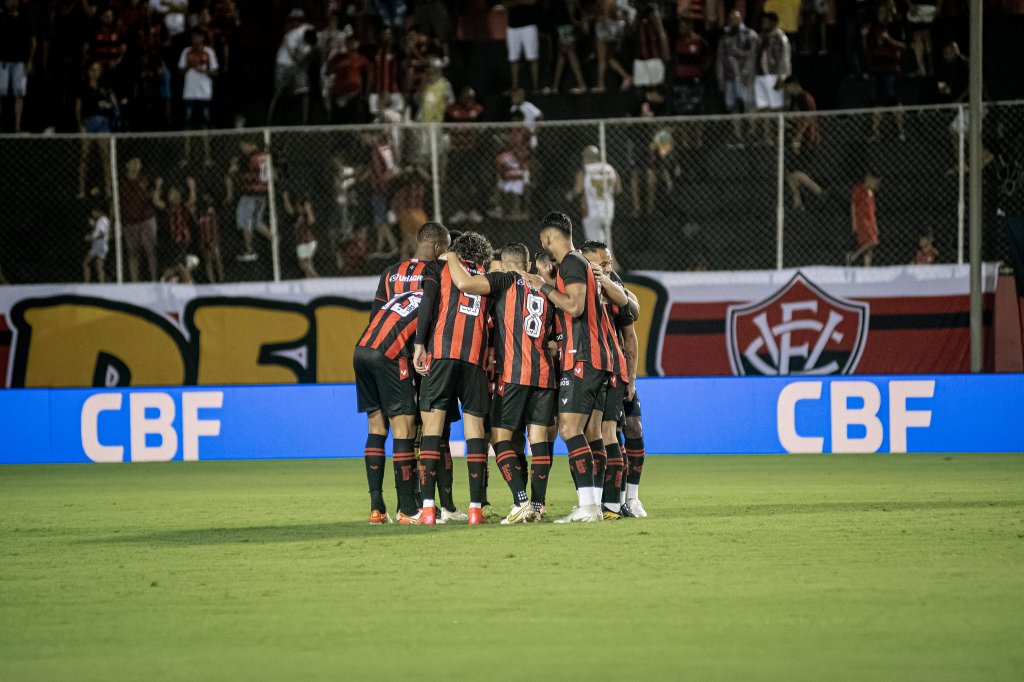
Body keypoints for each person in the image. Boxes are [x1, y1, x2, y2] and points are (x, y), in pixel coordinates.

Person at [519, 212, 628, 523]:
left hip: (583, 357)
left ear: (549, 239)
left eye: (544, 243)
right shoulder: (579, 264)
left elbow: (575, 306)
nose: (545, 249)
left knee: (569, 429)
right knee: (591, 433)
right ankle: (594, 505)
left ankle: (588, 507)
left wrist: (543, 287)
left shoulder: (571, 262)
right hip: (595, 358)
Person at [443, 242, 556, 523]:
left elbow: (464, 283)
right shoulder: (545, 288)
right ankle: (539, 506)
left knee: (500, 438)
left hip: (514, 374)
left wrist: (452, 256)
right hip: (544, 374)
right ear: (528, 264)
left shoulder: (505, 279)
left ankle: (521, 501)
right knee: (538, 440)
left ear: (504, 265)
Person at [413, 231, 495, 525]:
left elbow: (428, 304)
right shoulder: (487, 275)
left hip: (443, 353)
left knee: (432, 429)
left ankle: (428, 510)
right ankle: (475, 509)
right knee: (474, 431)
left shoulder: (439, 267)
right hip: (474, 359)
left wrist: (419, 345)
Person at [581, 240, 640, 519]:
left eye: (609, 261)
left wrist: (631, 379)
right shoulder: (576, 284)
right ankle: (600, 503)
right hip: (588, 369)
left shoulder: (612, 284)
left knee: (616, 431)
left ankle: (618, 502)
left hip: (614, 370)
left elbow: (631, 318)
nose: (609, 266)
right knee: (593, 434)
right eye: (603, 262)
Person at [717, 9, 758, 146]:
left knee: (748, 104)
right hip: (730, 76)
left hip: (745, 76)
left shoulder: (750, 34)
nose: (734, 20)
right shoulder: (725, 36)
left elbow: (752, 56)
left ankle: (752, 134)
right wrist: (721, 78)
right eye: (731, 18)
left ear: (741, 19)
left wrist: (747, 73)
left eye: (736, 18)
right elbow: (720, 59)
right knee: (733, 106)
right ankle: (737, 136)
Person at [76, 61, 116, 200]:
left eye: (98, 70)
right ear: (88, 71)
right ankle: (81, 189)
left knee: (105, 156)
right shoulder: (83, 87)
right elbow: (79, 107)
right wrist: (80, 124)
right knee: (84, 157)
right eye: (93, 69)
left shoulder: (105, 87)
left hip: (103, 123)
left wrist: (108, 104)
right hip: (88, 123)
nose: (95, 72)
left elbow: (113, 104)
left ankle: (108, 190)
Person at [179, 29, 218, 167]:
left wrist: (203, 71)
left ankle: (207, 157)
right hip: (188, 94)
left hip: (204, 94)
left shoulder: (209, 52)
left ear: (202, 37)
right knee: (187, 127)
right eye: (193, 36)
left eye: (198, 36)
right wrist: (189, 66)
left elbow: (215, 72)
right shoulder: (186, 52)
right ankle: (186, 157)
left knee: (204, 126)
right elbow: (180, 70)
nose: (196, 39)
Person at [227, 139, 271, 262]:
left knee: (245, 221)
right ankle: (274, 240)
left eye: (244, 146)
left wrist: (234, 165)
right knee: (257, 222)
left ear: (251, 145)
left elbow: (232, 170)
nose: (242, 149)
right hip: (262, 193)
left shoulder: (250, 158)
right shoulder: (264, 156)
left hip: (250, 193)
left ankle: (249, 250)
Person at [119, 156, 159, 282]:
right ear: (127, 165)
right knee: (133, 254)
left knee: (150, 252)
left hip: (146, 219)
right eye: (133, 162)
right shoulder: (121, 182)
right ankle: (134, 282)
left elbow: (153, 195)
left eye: (138, 162)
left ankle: (154, 280)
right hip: (129, 221)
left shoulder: (145, 179)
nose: (136, 165)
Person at [572, 145, 621, 243]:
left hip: (592, 212)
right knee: (604, 247)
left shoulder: (585, 171)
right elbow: (618, 189)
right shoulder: (610, 168)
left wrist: (570, 195)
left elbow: (578, 190)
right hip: (608, 211)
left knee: (594, 248)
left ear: (586, 157)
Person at [754, 12, 791, 144]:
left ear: (774, 22)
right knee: (764, 109)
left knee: (777, 108)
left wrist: (782, 77)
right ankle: (767, 137)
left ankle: (780, 136)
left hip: (774, 76)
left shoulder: (780, 38)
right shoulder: (761, 37)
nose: (764, 24)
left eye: (767, 21)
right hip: (761, 77)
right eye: (763, 21)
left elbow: (785, 59)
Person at [0, 0, 36, 133]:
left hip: (19, 62)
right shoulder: (1, 15)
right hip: (2, 61)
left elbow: (33, 41)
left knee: (19, 94)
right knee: (0, 94)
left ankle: (17, 127)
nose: (10, 3)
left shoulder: (25, 16)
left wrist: (30, 61)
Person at [672, 16, 710, 123]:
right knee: (682, 113)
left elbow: (707, 60)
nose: (681, 27)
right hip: (680, 82)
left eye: (683, 25)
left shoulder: (700, 42)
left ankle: (698, 140)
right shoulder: (678, 42)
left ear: (690, 26)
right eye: (680, 25)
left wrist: (699, 73)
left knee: (697, 113)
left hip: (695, 82)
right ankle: (684, 140)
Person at [546, 0, 587, 95]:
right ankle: (555, 87)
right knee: (562, 56)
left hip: (566, 25)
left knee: (570, 53)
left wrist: (572, 19)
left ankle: (582, 84)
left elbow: (571, 3)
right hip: (561, 25)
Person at [591, 0, 632, 93]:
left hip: (604, 28)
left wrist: (607, 30)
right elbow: (621, 15)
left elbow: (603, 15)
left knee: (601, 59)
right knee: (608, 58)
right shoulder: (616, 2)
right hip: (614, 26)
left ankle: (601, 84)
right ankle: (626, 76)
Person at [503, 0, 541, 92]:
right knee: (513, 58)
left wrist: (516, 2)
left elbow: (532, 2)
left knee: (532, 57)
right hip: (512, 27)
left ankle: (535, 87)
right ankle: (515, 87)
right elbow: (505, 3)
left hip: (529, 26)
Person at [631, 3, 670, 90]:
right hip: (640, 58)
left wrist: (665, 54)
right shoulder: (636, 14)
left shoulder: (653, 13)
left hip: (654, 57)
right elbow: (633, 32)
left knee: (656, 88)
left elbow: (661, 33)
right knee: (642, 90)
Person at [848, 172, 881, 266]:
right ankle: (854, 256)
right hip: (862, 221)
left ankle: (867, 269)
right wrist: (854, 222)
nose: (876, 185)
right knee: (873, 242)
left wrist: (875, 226)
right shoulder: (859, 189)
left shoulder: (871, 193)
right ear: (869, 179)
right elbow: (853, 205)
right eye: (875, 182)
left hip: (870, 222)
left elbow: (872, 212)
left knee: (869, 249)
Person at [284, 191, 318, 278]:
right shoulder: (296, 215)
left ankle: (319, 282)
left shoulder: (306, 216)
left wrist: (308, 210)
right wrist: (285, 198)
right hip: (301, 242)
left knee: (306, 264)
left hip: (307, 241)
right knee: (305, 266)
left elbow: (311, 220)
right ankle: (312, 284)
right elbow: (289, 209)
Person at [197, 192, 224, 283]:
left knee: (217, 259)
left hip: (213, 237)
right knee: (208, 261)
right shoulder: (200, 211)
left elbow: (215, 225)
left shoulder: (213, 210)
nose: (206, 198)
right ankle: (212, 282)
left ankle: (221, 280)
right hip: (204, 238)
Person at [83, 204, 110, 283]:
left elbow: (101, 234)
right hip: (103, 244)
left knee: (86, 263)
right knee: (99, 266)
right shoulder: (104, 220)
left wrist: (90, 237)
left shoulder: (101, 220)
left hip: (99, 244)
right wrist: (94, 225)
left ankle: (86, 282)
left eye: (93, 212)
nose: (93, 214)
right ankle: (102, 283)